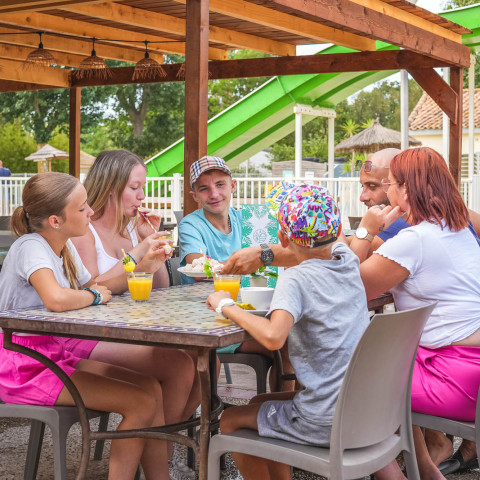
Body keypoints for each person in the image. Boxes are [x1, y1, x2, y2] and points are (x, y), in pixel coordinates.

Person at [0, 172, 184, 480]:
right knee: (139, 402)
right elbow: (58, 299)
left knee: (151, 387)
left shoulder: (64, 246)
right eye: (83, 208)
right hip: (24, 364)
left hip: (53, 354)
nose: (91, 212)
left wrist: (142, 262)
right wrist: (94, 295)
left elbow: (101, 284)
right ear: (57, 220)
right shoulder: (31, 247)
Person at [206, 183, 369, 480]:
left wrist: (226, 306)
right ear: (336, 229)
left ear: (281, 236)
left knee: (230, 419)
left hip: (323, 419)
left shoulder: (295, 279)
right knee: (258, 404)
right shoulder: (347, 259)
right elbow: (319, 246)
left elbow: (272, 336)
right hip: (361, 409)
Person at [349, 147, 480, 480]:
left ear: (406, 190)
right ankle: (427, 474)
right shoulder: (457, 227)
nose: (388, 191)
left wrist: (365, 230)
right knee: (375, 370)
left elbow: (345, 290)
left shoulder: (416, 239)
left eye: (391, 184)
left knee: (352, 387)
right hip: (467, 368)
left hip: (454, 378)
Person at [71, 150, 199, 479]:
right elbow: (94, 286)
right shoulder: (85, 232)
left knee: (199, 363)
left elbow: (158, 287)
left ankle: (160, 454)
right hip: (89, 338)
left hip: (127, 329)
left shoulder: (130, 230)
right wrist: (137, 253)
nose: (142, 196)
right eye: (135, 187)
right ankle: (164, 462)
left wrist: (145, 242)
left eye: (142, 187)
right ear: (112, 188)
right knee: (179, 365)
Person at [179, 155, 292, 392]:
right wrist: (246, 262)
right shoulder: (191, 224)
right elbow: (196, 264)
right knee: (287, 343)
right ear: (195, 196)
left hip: (253, 311)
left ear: (233, 185)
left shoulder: (250, 219)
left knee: (298, 338)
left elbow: (273, 260)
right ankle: (281, 411)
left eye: (220, 184)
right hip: (211, 322)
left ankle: (290, 409)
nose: (214, 193)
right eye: (204, 188)